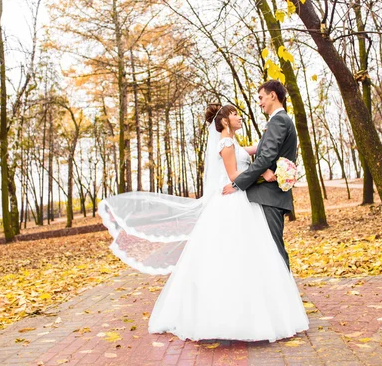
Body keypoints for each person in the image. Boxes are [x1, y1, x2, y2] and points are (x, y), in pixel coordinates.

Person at [98, 87, 308, 342]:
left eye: (261, 97)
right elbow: (234, 175)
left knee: (256, 253)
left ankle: (269, 307)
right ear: (224, 120)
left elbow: (261, 152)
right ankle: (247, 312)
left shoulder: (238, 141)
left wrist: (268, 168)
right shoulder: (226, 142)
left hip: (246, 198)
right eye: (235, 114)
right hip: (234, 199)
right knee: (241, 254)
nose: (241, 117)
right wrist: (253, 175)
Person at [222, 80, 296, 270]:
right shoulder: (280, 120)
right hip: (270, 195)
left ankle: (286, 297)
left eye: (261, 98)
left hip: (270, 196)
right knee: (269, 250)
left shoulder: (278, 120)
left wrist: (237, 184)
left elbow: (265, 157)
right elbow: (264, 154)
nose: (260, 102)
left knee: (275, 251)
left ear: (273, 95)